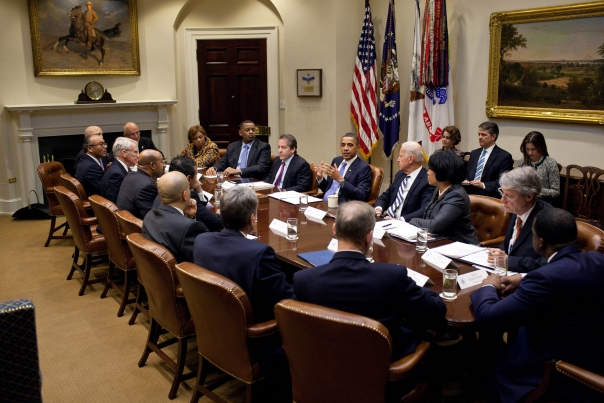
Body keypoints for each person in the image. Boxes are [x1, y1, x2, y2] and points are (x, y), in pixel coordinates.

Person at [471, 208, 604, 403]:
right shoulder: (597, 260)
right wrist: (524, 279)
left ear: (540, 242)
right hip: (593, 352)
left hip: (554, 368)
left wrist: (488, 285)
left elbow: (489, 316)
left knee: (483, 364)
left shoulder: (544, 279)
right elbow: (565, 283)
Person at [293, 201, 446, 361]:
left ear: (334, 231)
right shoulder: (392, 277)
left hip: (323, 363)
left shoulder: (303, 280)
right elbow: (436, 311)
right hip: (382, 366)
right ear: (369, 237)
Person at [192, 186, 293, 323]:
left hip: (211, 321)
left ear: (221, 214)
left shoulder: (201, 241)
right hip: (251, 331)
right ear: (252, 219)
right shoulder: (259, 254)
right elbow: (286, 299)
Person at [488, 167, 550, 273]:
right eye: (502, 193)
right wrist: (500, 252)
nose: (502, 200)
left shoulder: (548, 220)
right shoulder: (517, 209)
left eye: (509, 196)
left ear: (529, 196)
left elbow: (548, 262)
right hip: (505, 272)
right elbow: (512, 244)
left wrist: (509, 261)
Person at [409, 150, 479, 244]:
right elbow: (428, 216)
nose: (427, 172)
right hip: (440, 241)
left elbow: (435, 225)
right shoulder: (439, 189)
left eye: (430, 169)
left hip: (460, 247)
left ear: (441, 171)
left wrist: (412, 220)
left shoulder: (457, 195)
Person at [142, 172, 208, 264]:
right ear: (184, 195)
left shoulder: (149, 215)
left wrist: (191, 217)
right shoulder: (189, 228)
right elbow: (204, 259)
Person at [153, 156, 223, 232]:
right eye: (196, 176)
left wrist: (199, 191)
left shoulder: (164, 190)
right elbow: (217, 222)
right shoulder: (187, 196)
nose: (197, 179)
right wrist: (219, 215)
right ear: (188, 179)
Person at [374, 141, 434, 221]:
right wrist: (378, 209)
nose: (397, 160)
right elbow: (386, 195)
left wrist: (399, 220)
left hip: (405, 224)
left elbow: (424, 210)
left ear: (410, 159)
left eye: (400, 156)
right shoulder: (400, 174)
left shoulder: (427, 180)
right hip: (386, 219)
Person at [311, 133, 372, 204]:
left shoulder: (363, 168)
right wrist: (320, 178)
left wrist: (340, 179)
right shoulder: (336, 161)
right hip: (325, 203)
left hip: (343, 207)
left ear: (358, 148)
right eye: (343, 145)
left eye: (350, 145)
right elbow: (329, 189)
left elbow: (361, 195)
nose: (345, 148)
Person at [463, 122, 513, 199]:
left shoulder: (504, 156)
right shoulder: (474, 153)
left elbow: (503, 182)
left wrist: (483, 185)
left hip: (488, 194)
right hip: (469, 192)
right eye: (479, 134)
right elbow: (467, 174)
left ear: (493, 136)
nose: (480, 137)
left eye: (483, 135)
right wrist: (466, 180)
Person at [205, 120, 271, 179]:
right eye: (247, 130)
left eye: (253, 130)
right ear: (240, 133)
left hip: (252, 180)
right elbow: (223, 162)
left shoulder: (263, 147)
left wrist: (239, 171)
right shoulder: (232, 146)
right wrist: (214, 168)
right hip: (233, 179)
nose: (251, 132)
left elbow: (261, 167)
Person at [116, 150, 164, 219]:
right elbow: (153, 220)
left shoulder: (131, 175)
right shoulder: (147, 187)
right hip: (135, 228)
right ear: (152, 165)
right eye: (162, 162)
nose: (164, 165)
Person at [516, 131, 560, 202]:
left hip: (542, 203)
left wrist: (535, 190)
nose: (530, 153)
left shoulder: (550, 163)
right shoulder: (522, 161)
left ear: (540, 147)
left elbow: (556, 192)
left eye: (533, 149)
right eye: (527, 149)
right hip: (523, 201)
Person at [101, 137, 138, 203]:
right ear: (124, 153)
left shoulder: (119, 167)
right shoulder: (115, 174)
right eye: (135, 152)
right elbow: (115, 203)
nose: (138, 156)